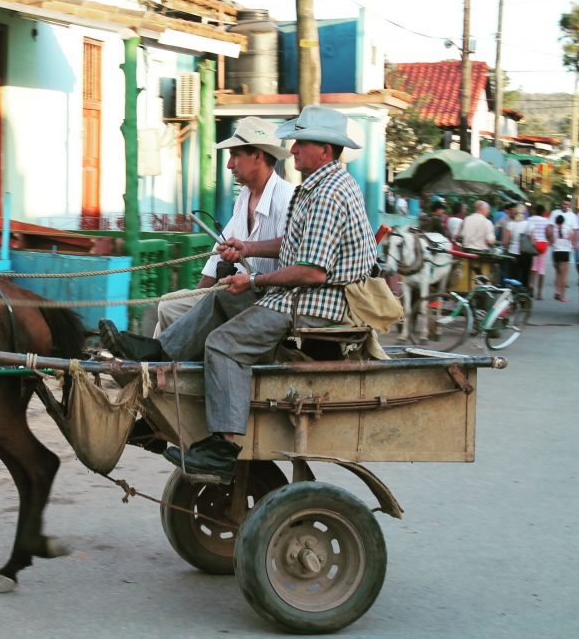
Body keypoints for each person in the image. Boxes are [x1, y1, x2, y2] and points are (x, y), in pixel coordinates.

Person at [103, 105, 376, 482]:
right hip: (300, 296)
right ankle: (158, 351)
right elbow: (293, 245)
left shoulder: (327, 193)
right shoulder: (317, 188)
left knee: (223, 343)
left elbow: (313, 272)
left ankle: (224, 445)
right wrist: (248, 249)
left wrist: (254, 282)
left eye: (301, 143)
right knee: (219, 298)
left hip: (317, 304)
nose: (293, 150)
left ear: (325, 151)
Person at [152, 117, 293, 336]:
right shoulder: (244, 197)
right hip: (236, 293)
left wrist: (248, 248)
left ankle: (155, 362)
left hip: (267, 300)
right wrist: (199, 296)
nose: (229, 164)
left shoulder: (286, 197)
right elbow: (219, 251)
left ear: (257, 155)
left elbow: (293, 245)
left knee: (169, 307)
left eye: (235, 155)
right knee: (172, 303)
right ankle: (153, 362)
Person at [525, 204, 552, 299]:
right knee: (542, 270)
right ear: (543, 212)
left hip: (533, 244)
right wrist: (548, 239)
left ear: (535, 211)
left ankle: (531, 285)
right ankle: (540, 293)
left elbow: (527, 233)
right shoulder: (546, 221)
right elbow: (549, 232)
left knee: (533, 268)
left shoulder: (530, 219)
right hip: (543, 245)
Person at [501, 205, 531, 287]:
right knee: (525, 275)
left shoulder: (511, 224)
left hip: (512, 253)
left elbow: (505, 241)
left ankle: (513, 293)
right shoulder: (528, 225)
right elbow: (532, 240)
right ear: (525, 213)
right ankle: (523, 293)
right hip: (525, 253)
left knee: (513, 275)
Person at [548, 213, 575, 301]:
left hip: (556, 251)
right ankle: (562, 296)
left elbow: (551, 241)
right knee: (564, 275)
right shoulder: (567, 229)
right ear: (563, 221)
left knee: (557, 273)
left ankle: (556, 291)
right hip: (565, 251)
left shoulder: (554, 229)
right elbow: (571, 239)